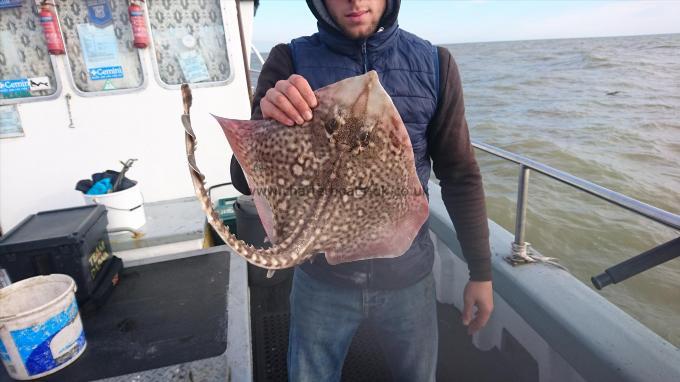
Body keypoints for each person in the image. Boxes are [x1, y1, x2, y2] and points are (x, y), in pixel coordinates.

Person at [230, 0, 494, 380]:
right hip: (320, 279)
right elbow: (242, 179)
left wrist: (481, 272)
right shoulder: (289, 60)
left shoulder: (435, 64)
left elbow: (460, 175)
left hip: (409, 277)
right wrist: (269, 117)